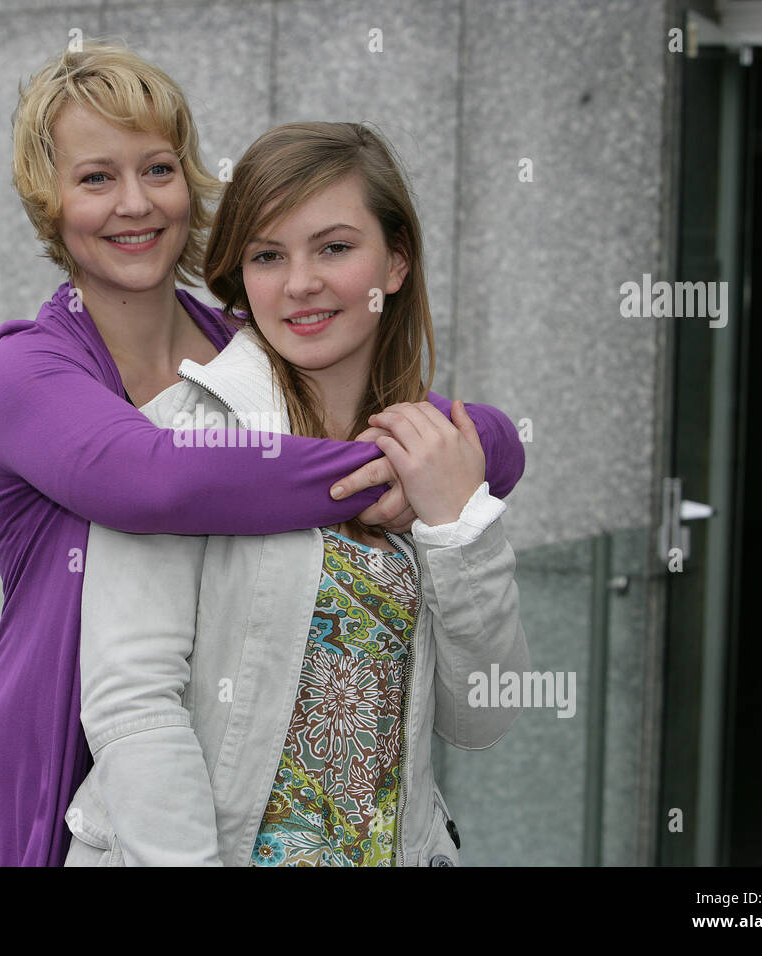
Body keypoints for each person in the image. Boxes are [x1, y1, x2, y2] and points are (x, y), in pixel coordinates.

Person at [0, 42, 526, 867]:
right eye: (96, 177)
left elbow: (465, 433)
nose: (134, 202)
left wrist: (462, 457)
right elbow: (155, 481)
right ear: (49, 202)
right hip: (31, 799)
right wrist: (380, 473)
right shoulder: (25, 369)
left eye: (159, 168)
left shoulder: (254, 349)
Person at [65, 121, 529, 866]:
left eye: (335, 248)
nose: (300, 284)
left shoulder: (429, 456)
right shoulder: (181, 439)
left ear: (398, 261)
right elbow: (133, 706)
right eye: (268, 255)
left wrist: (456, 523)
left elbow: (485, 716)